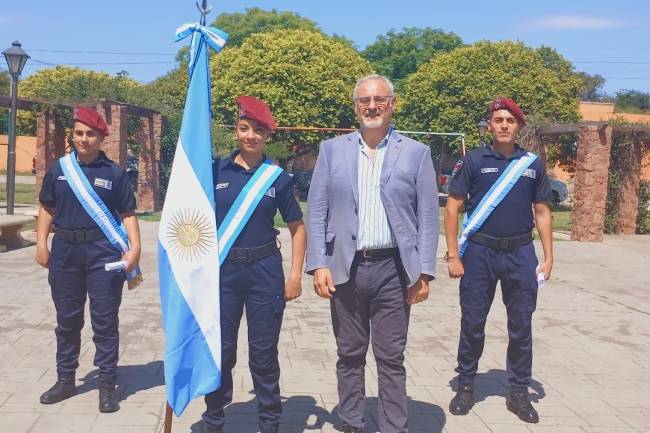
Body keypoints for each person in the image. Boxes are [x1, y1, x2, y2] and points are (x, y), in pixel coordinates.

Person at [306, 74, 439, 433]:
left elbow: (428, 216)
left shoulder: (416, 153)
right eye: (364, 100)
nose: (372, 106)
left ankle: (394, 426)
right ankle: (351, 422)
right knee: (349, 354)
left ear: (392, 104)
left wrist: (424, 272)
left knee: (390, 357)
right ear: (355, 106)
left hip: (394, 270)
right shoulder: (331, 151)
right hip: (345, 268)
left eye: (379, 99)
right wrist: (318, 263)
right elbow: (316, 210)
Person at [444, 97, 553, 423]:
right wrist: (453, 255)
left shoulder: (533, 164)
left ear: (519, 126)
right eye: (498, 120)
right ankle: (465, 385)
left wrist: (548, 257)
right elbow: (452, 209)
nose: (504, 125)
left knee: (521, 326)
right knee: (473, 323)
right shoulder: (474, 161)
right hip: (479, 253)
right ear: (489, 126)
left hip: (520, 253)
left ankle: (518, 392)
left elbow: (543, 212)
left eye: (510, 120)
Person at [202, 96, 306, 433]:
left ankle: (269, 422)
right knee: (223, 350)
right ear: (236, 130)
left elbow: (297, 227)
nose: (250, 136)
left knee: (263, 355)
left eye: (258, 131)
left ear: (267, 136)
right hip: (223, 272)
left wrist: (294, 276)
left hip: (265, 271)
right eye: (244, 128)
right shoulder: (215, 170)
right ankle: (214, 419)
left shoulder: (277, 178)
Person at [36, 106, 141, 413]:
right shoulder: (59, 169)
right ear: (74, 134)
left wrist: (134, 249)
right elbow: (47, 208)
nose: (83, 139)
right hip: (65, 252)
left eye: (90, 134)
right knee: (67, 320)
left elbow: (128, 214)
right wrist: (41, 243)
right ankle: (65, 379)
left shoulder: (115, 173)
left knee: (105, 321)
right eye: (79, 133)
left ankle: (108, 385)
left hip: (102, 253)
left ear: (101, 137)